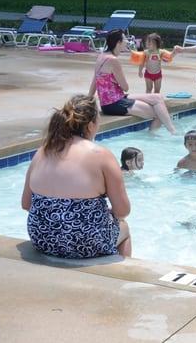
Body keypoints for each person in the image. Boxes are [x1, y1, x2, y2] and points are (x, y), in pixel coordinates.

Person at [21, 95, 132, 258]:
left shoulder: (42, 152)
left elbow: (26, 204)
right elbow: (122, 210)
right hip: (86, 243)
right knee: (124, 229)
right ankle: (118, 280)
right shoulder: (100, 154)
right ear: (90, 125)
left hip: (42, 238)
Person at [88, 28, 176, 134]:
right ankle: (158, 136)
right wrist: (116, 80)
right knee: (159, 114)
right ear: (118, 42)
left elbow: (95, 79)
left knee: (157, 98)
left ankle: (172, 131)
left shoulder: (101, 56)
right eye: (125, 39)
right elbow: (125, 87)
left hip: (113, 100)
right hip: (114, 104)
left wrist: (89, 99)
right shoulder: (113, 60)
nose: (127, 42)